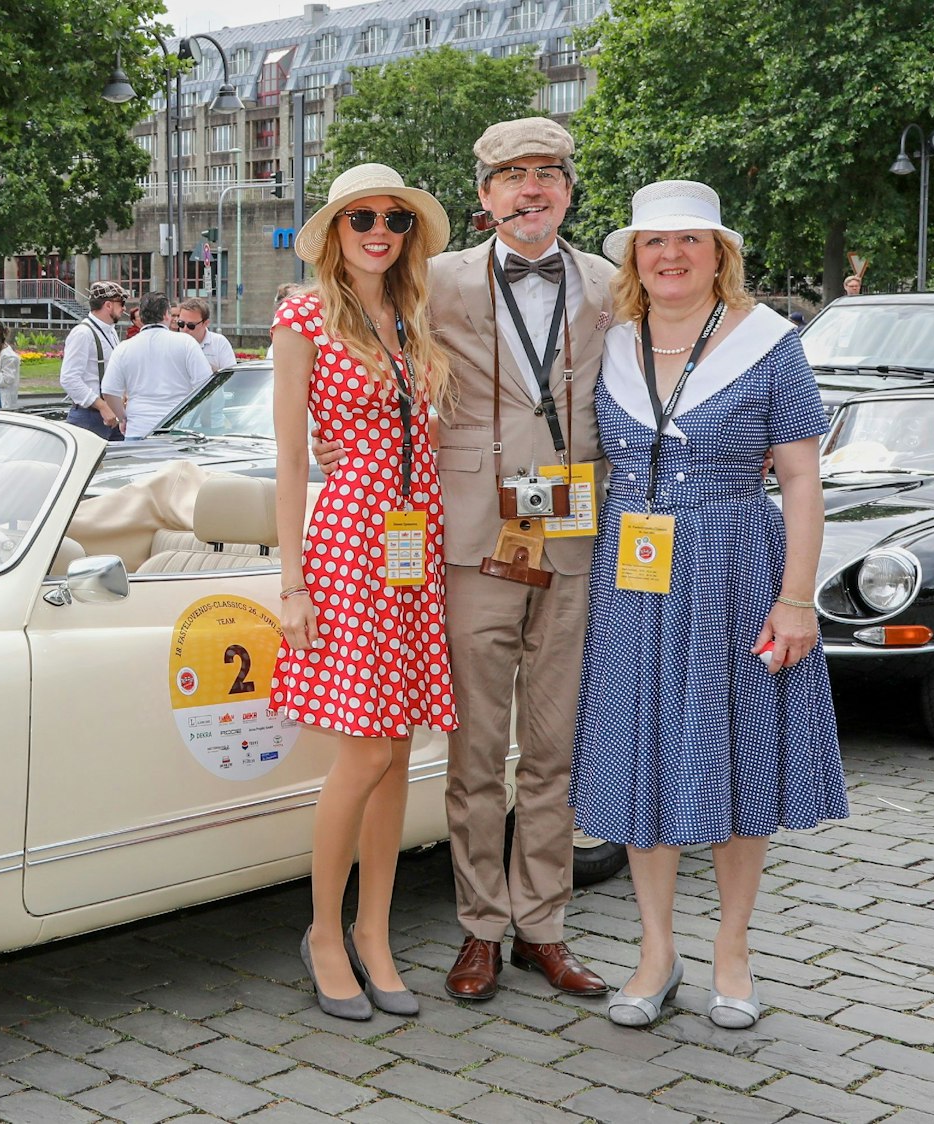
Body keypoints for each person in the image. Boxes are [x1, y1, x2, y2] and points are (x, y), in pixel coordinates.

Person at [319, 118, 614, 1002]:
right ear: (482, 196)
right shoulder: (429, 280)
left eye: (548, 175)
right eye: (512, 176)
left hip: (571, 530)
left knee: (555, 750)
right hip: (466, 537)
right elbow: (353, 354)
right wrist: (338, 463)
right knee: (476, 749)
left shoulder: (609, 281)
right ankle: (478, 929)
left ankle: (545, 929)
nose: (533, 190)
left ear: (567, 189)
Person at [576, 180, 844, 1031]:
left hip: (735, 567)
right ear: (634, 258)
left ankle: (732, 948)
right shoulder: (610, 346)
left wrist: (795, 598)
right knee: (641, 758)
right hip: (632, 572)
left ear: (719, 254)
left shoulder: (769, 345)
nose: (670, 255)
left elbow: (801, 477)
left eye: (689, 240)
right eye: (653, 242)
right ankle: (656, 952)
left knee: (733, 758)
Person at [274, 162, 459, 1021]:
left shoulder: (410, 318)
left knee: (397, 755)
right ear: (335, 231)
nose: (380, 230)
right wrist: (292, 584)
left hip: (411, 548)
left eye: (393, 218)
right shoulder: (302, 314)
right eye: (361, 218)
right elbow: (288, 462)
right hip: (349, 539)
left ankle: (375, 932)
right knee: (363, 753)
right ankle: (321, 933)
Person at [100, 292, 212, 440]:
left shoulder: (124, 348)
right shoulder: (186, 343)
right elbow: (205, 385)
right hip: (178, 428)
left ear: (142, 316)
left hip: (139, 427)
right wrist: (204, 421)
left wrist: (123, 418)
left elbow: (108, 390)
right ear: (167, 314)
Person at [59, 282, 127, 440]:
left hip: (111, 415)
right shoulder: (83, 333)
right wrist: (102, 406)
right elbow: (69, 379)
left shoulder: (110, 331)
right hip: (89, 417)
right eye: (121, 303)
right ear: (108, 305)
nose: (124, 308)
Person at [176, 298, 236, 372]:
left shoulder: (219, 343)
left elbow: (229, 375)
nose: (185, 329)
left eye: (191, 325)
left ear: (206, 323)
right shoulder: (172, 343)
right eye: (181, 324)